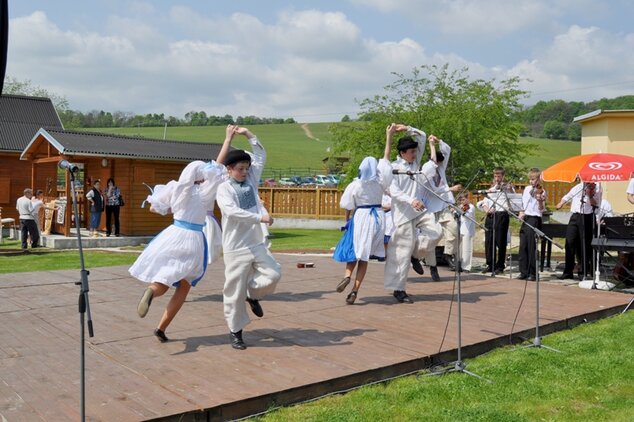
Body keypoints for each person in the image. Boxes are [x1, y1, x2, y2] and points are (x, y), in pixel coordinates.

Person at [130, 124, 234, 342]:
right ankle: (161, 328)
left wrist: (171, 208)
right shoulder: (206, 191)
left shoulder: (175, 187)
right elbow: (219, 165)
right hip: (194, 238)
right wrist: (227, 139)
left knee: (164, 279)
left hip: (173, 233)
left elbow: (154, 207)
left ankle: (151, 291)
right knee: (184, 286)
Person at [216, 127, 282, 350]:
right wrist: (260, 217)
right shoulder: (223, 189)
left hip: (255, 243)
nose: (245, 172)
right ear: (229, 170)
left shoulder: (251, 181)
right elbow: (233, 212)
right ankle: (236, 332)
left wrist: (248, 134)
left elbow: (261, 155)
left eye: (246, 168)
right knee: (233, 292)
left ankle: (252, 295)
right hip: (235, 247)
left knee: (273, 274)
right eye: (240, 169)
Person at [333, 124, 394, 304]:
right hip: (378, 217)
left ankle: (347, 275)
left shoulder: (355, 185)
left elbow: (347, 205)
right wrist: (388, 137)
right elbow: (386, 158)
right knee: (365, 256)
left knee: (355, 251)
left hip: (361, 217)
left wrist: (346, 222)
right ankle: (355, 290)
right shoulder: (381, 182)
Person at [384, 124, 442, 304]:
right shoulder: (393, 168)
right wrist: (411, 200)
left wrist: (408, 127)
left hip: (420, 210)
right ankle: (399, 289)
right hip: (403, 214)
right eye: (411, 152)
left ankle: (416, 255)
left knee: (437, 231)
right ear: (402, 153)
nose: (415, 155)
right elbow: (393, 191)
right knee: (401, 253)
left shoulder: (416, 163)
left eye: (415, 152)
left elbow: (423, 136)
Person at [420, 135, 462, 280]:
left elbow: (447, 150)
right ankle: (432, 267)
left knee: (454, 230)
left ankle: (448, 253)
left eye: (439, 164)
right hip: (431, 210)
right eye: (437, 163)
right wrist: (450, 188)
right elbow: (434, 190)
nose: (438, 166)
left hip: (443, 207)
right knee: (432, 238)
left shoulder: (440, 167)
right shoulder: (425, 171)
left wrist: (437, 142)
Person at [555, 181, 602, 280]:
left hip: (587, 217)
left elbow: (596, 204)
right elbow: (568, 195)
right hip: (575, 216)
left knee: (584, 245)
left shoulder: (597, 188)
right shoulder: (579, 186)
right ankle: (568, 271)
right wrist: (561, 203)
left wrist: (589, 195)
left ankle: (583, 272)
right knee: (570, 242)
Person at [480, 167, 514, 274]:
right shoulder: (492, 188)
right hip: (491, 216)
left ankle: (500, 265)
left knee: (500, 241)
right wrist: (487, 209)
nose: (497, 178)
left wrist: (509, 189)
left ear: (503, 176)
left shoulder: (507, 188)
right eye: (495, 176)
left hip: (501, 215)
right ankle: (490, 264)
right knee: (489, 241)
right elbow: (484, 201)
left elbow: (512, 200)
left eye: (499, 176)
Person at [517, 168, 546, 281]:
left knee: (531, 246)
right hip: (526, 218)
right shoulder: (527, 189)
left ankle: (533, 273)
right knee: (523, 245)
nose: (531, 182)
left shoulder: (542, 191)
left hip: (534, 218)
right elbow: (523, 203)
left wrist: (539, 200)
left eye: (533, 179)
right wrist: (521, 212)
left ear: (538, 179)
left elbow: (542, 209)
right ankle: (523, 271)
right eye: (530, 179)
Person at [457, 193, 475, 273]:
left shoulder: (471, 207)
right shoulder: (460, 207)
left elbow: (467, 215)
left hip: (468, 229)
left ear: (468, 199)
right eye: (461, 200)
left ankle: (466, 266)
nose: (462, 202)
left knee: (467, 248)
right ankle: (459, 265)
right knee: (460, 249)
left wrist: (461, 210)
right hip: (460, 229)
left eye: (463, 199)